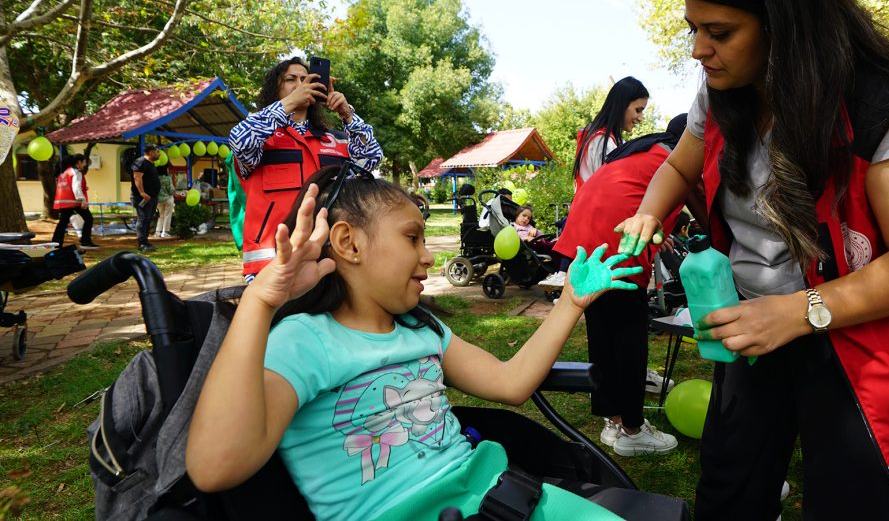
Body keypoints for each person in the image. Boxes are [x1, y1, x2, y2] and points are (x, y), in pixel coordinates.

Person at [613, 0, 889, 519]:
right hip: (756, 326)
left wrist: (800, 312)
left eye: (719, 31)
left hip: (858, 339)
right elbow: (679, 167)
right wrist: (649, 214)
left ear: (785, 25)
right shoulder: (721, 88)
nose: (700, 50)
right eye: (694, 28)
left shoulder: (880, 105)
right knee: (729, 490)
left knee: (848, 499)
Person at [185, 166, 640, 520]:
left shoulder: (421, 328)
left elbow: (511, 382)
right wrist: (259, 302)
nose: (428, 255)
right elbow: (215, 467)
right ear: (349, 243)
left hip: (501, 494)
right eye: (411, 238)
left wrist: (569, 304)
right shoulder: (306, 341)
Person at [555, 114, 702, 458]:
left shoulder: (644, 150)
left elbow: (633, 195)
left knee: (603, 331)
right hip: (617, 239)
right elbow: (707, 210)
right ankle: (633, 429)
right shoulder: (682, 158)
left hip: (588, 235)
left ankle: (613, 418)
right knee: (629, 336)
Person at [229, 57, 383, 282]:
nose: (301, 84)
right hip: (273, 264)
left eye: (306, 78)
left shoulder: (335, 139)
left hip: (332, 260)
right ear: (275, 89)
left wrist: (347, 114)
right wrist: (288, 104)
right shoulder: (260, 137)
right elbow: (239, 141)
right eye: (291, 80)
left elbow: (371, 158)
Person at [572, 77, 649, 190]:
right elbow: (612, 190)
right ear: (621, 105)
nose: (641, 118)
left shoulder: (600, 137)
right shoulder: (603, 142)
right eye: (638, 110)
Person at [52, 153, 97, 249]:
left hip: (63, 201)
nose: (85, 164)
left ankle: (56, 243)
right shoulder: (76, 172)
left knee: (63, 222)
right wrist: (82, 200)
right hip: (74, 201)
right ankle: (85, 241)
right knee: (89, 219)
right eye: (84, 162)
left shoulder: (64, 172)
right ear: (79, 162)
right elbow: (76, 187)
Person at [131, 146, 162, 252]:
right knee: (143, 219)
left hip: (152, 197)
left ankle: (146, 242)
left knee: (148, 219)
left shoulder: (150, 164)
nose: (159, 154)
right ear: (150, 152)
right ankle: (141, 243)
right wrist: (142, 193)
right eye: (157, 152)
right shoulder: (140, 162)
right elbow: (137, 178)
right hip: (142, 197)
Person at [155, 166, 175, 239]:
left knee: (161, 215)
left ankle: (158, 232)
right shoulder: (168, 178)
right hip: (168, 199)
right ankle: (165, 232)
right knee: (167, 215)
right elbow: (171, 190)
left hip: (159, 200)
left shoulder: (155, 178)